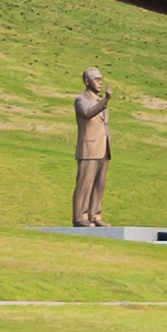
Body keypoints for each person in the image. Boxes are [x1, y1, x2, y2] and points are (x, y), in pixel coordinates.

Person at [70, 66, 112, 231]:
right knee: (85, 184)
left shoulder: (99, 101)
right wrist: (104, 102)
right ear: (87, 82)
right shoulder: (82, 100)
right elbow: (87, 113)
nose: (100, 83)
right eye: (96, 80)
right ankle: (81, 216)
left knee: (99, 185)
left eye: (101, 79)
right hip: (89, 148)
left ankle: (95, 215)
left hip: (103, 148)